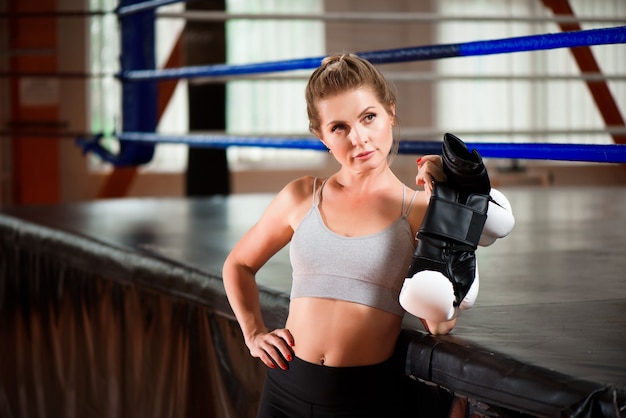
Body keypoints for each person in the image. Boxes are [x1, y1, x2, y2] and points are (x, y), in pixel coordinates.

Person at [222, 53, 509, 417]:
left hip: (363, 399)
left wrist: (446, 209)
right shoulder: (300, 196)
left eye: (368, 117)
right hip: (284, 391)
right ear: (321, 136)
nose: (358, 139)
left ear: (390, 113)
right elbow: (239, 264)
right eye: (338, 127)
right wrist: (253, 333)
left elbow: (439, 323)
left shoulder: (418, 210)